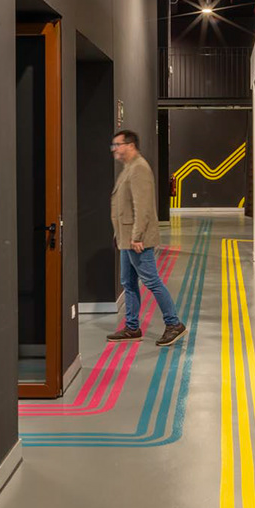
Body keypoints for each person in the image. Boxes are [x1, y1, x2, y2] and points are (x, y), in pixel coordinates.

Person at [108, 128, 184, 346]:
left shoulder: (139, 168)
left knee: (151, 280)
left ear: (130, 146)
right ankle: (132, 327)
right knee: (128, 282)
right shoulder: (129, 168)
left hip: (136, 239)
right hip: (126, 238)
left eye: (118, 145)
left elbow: (143, 207)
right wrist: (120, 235)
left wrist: (137, 236)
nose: (115, 149)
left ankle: (174, 324)